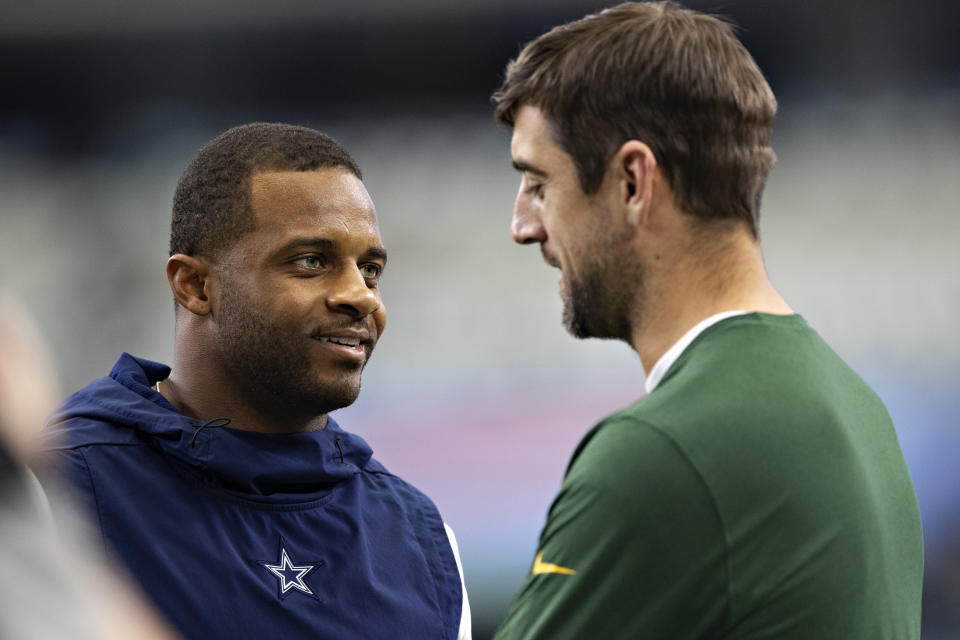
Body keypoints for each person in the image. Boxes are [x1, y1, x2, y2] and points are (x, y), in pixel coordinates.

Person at [491, 2, 923, 638]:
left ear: (633, 182)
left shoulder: (659, 456)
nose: (522, 226)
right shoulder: (861, 409)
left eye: (538, 184)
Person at [34, 123, 470, 640]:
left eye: (370, 269)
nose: (362, 296)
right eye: (311, 262)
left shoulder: (422, 538)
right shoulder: (51, 492)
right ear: (195, 285)